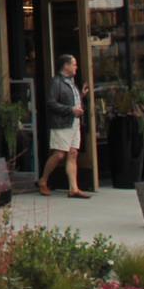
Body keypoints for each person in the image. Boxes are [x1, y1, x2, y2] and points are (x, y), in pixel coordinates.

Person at [38, 54, 92, 199]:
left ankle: (73, 188)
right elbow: (51, 103)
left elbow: (71, 100)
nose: (76, 67)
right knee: (59, 154)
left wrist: (82, 95)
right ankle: (43, 180)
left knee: (73, 153)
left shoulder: (71, 82)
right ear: (66, 66)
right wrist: (70, 110)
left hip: (74, 122)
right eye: (73, 64)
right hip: (61, 123)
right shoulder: (57, 82)